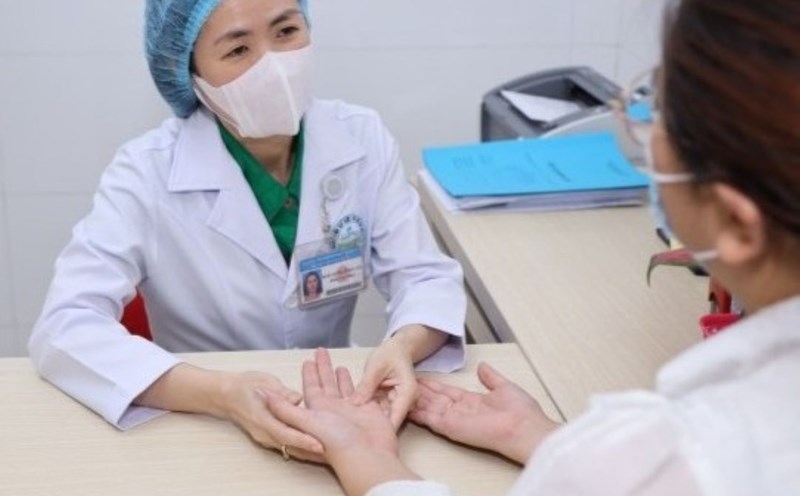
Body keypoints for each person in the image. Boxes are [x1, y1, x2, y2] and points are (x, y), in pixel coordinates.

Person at [266, 0, 800, 493]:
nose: (643, 126)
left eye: (662, 108)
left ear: (736, 223)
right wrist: (542, 439)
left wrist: (366, 456)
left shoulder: (690, 450)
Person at [28, 0, 466, 461]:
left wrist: (403, 346)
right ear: (189, 73)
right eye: (238, 50)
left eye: (286, 31)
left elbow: (425, 277)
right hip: (204, 422)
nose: (273, 65)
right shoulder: (145, 173)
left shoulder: (360, 136)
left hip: (346, 406)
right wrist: (222, 394)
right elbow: (65, 326)